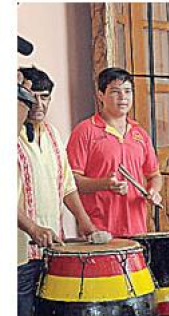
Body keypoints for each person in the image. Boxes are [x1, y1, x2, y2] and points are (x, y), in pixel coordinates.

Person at [17, 67, 100, 316]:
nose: (38, 104)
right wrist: (32, 227)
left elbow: (67, 185)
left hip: (53, 250)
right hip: (18, 254)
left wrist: (85, 222)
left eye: (45, 97)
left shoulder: (52, 135)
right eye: (31, 95)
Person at [66, 67, 163, 237]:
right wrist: (104, 184)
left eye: (127, 91)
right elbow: (71, 181)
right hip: (98, 230)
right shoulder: (84, 131)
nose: (123, 97)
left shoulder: (140, 134)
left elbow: (154, 175)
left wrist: (154, 191)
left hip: (137, 229)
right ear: (100, 95)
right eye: (115, 91)